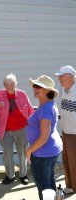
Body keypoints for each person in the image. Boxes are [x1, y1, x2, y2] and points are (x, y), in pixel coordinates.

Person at [0, 73, 34, 185]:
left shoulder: (22, 94)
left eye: (12, 84)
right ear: (4, 85)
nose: (9, 86)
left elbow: (30, 110)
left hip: (22, 128)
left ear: (15, 84)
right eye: (7, 84)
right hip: (6, 130)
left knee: (22, 152)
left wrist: (32, 126)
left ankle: (23, 175)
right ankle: (10, 176)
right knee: (7, 153)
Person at [26, 75, 63, 200]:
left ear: (48, 91)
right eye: (35, 86)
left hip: (43, 153)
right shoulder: (49, 104)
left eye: (39, 87)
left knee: (44, 187)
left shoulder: (45, 109)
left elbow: (44, 137)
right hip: (50, 151)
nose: (35, 89)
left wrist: (29, 151)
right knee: (49, 183)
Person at [55, 65, 76, 194]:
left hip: (75, 132)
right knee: (66, 159)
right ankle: (70, 185)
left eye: (61, 76)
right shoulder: (65, 90)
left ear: (70, 76)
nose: (59, 79)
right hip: (65, 130)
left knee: (74, 159)